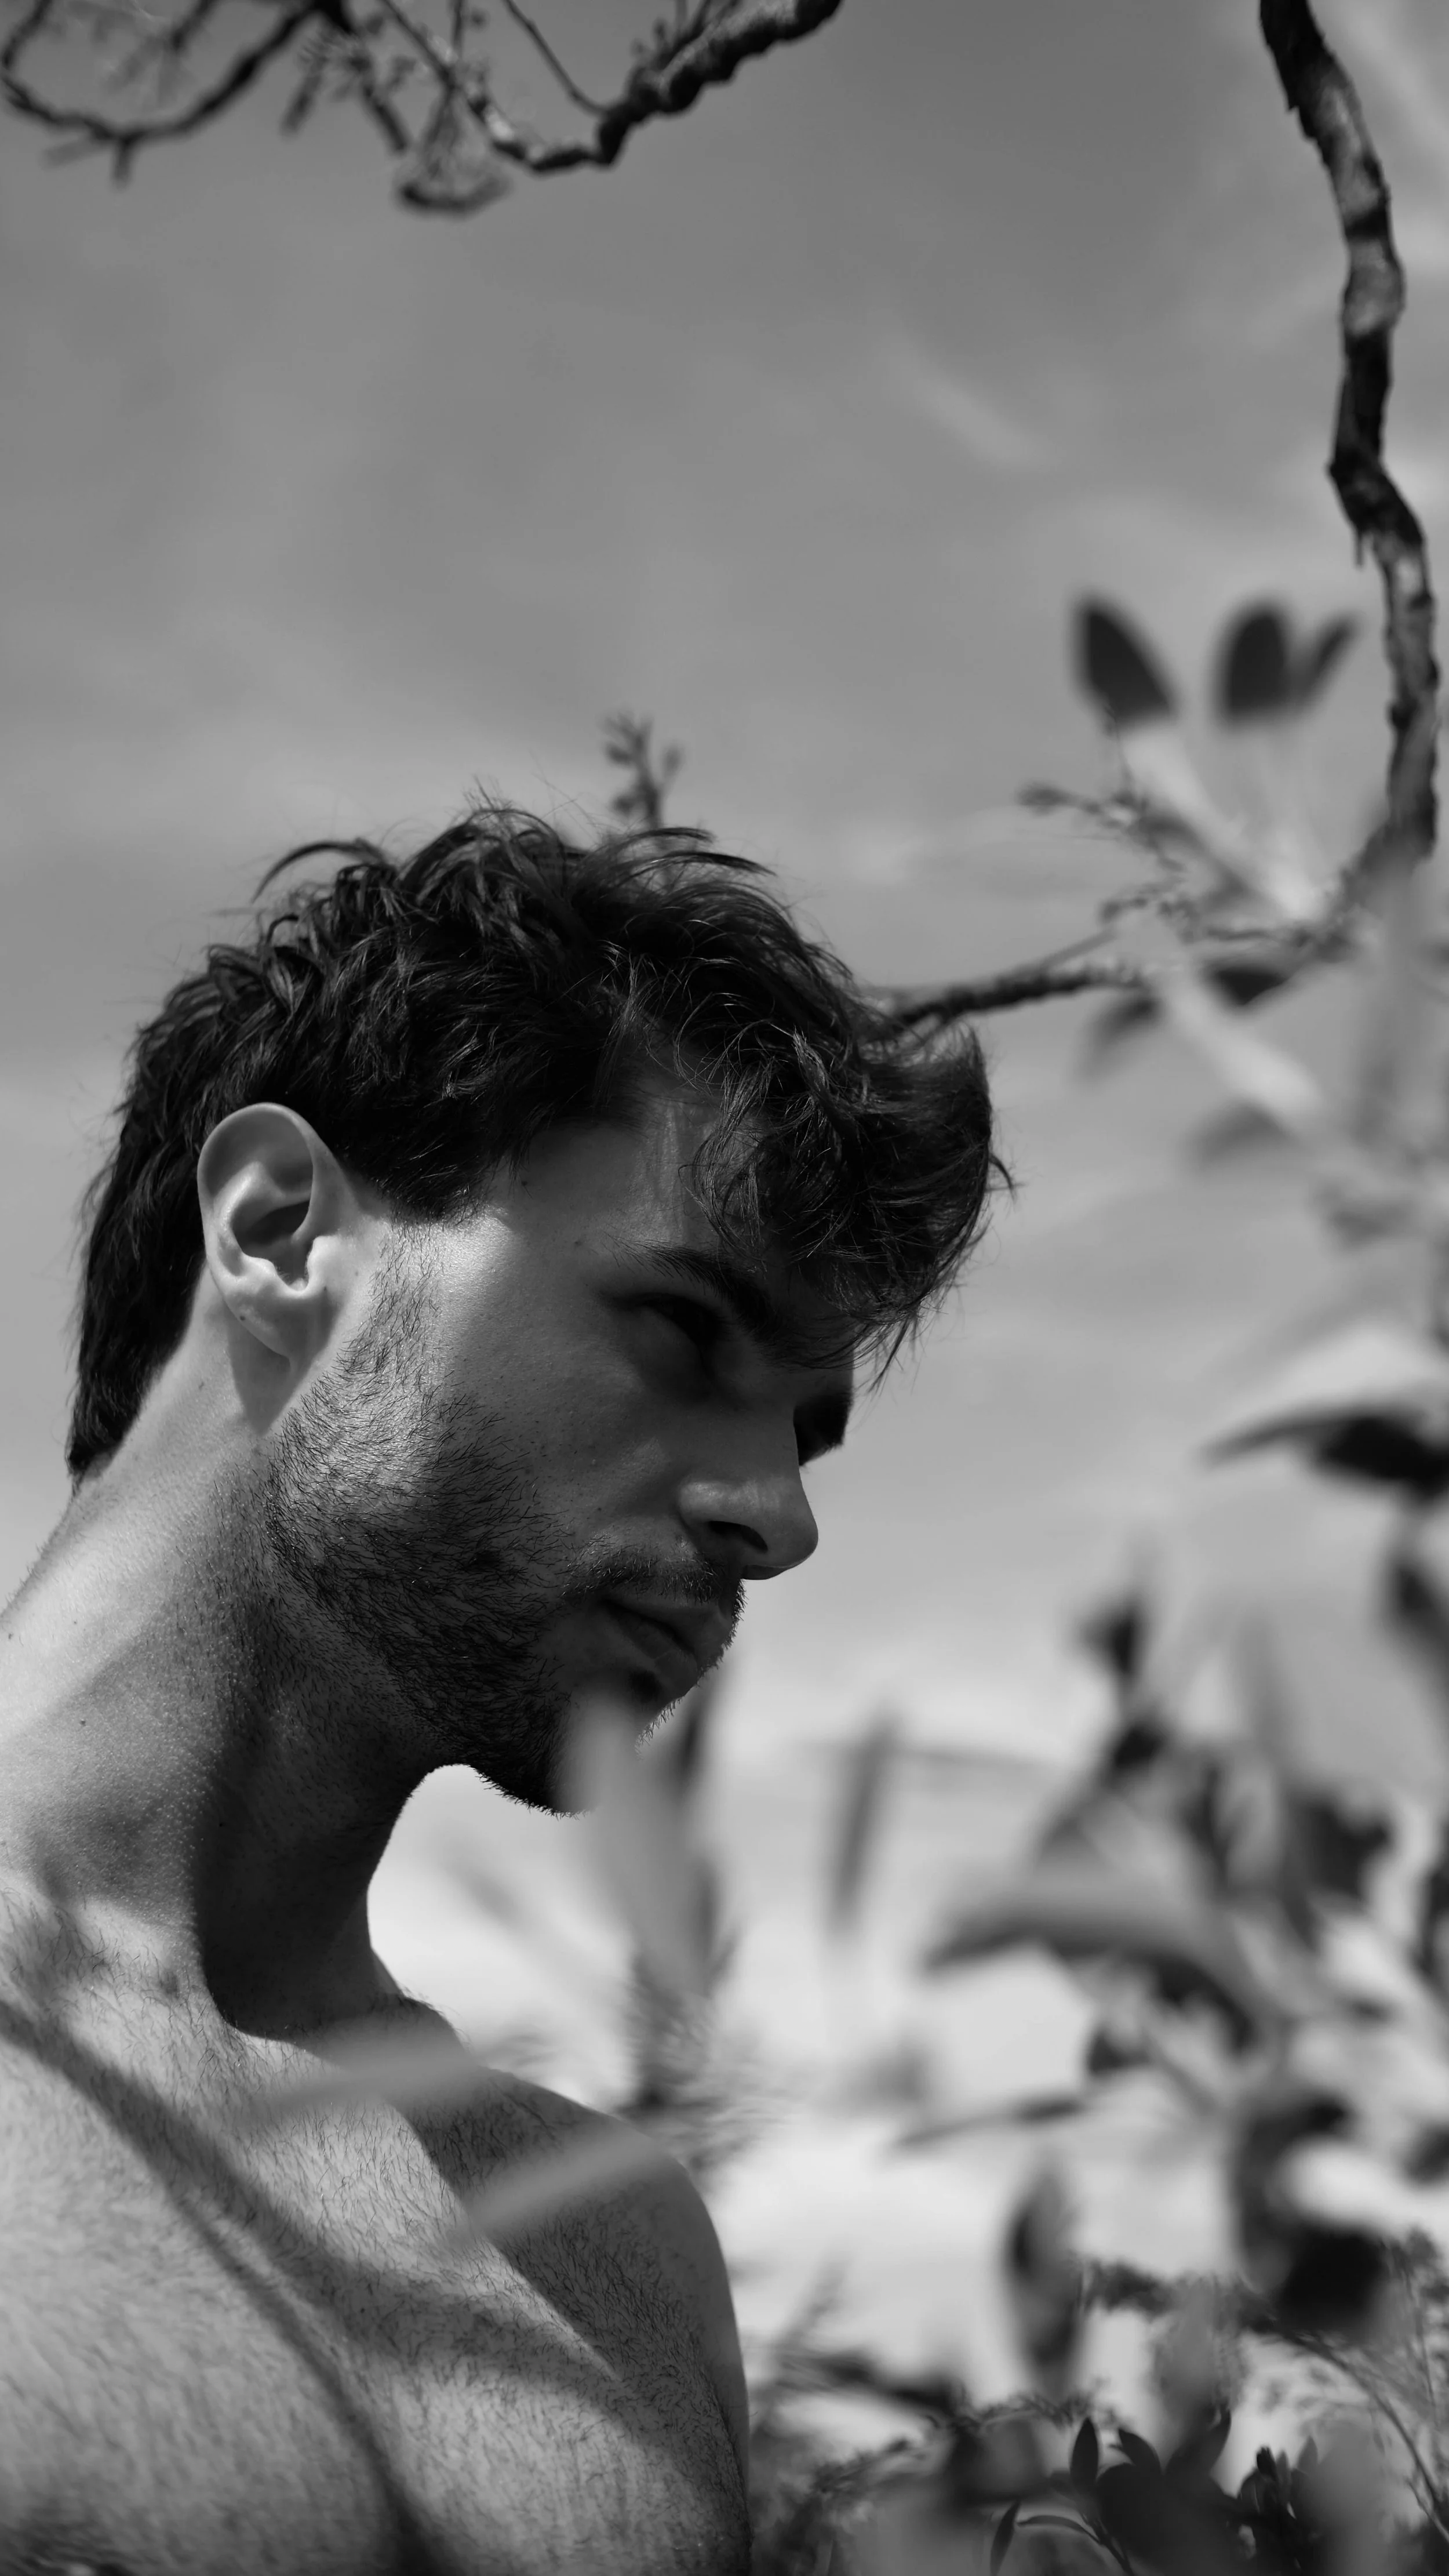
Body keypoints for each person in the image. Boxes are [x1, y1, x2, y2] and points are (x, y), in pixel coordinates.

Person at [0, 809, 999, 2574]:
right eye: (686, 1333)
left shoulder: (625, 2250)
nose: (774, 1515)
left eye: (805, 1433)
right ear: (282, 1233)